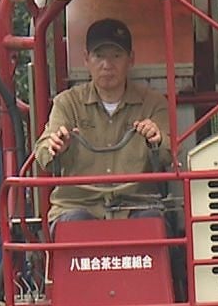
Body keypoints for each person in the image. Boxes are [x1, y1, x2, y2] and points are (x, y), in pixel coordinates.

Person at [34, 17, 172, 222]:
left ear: (131, 59)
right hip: (77, 207)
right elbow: (43, 153)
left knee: (152, 223)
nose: (107, 65)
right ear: (86, 59)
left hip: (137, 205)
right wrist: (56, 148)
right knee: (74, 223)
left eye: (116, 56)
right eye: (99, 56)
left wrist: (157, 140)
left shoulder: (153, 103)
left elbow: (170, 155)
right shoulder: (67, 103)